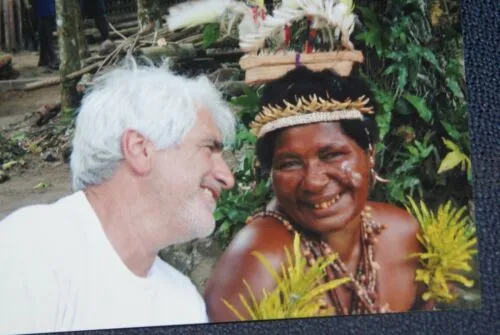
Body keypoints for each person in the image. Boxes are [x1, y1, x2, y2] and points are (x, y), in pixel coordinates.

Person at [0, 58, 236, 333]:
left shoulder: (183, 303)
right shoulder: (27, 253)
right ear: (140, 149)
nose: (227, 177)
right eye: (209, 148)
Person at [204, 66, 432, 321]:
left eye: (333, 155)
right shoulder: (258, 263)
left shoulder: (404, 234)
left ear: (370, 155)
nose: (313, 182)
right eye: (289, 163)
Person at [33, 0, 58, 69]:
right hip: (42, 12)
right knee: (42, 36)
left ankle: (54, 59)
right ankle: (44, 59)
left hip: (47, 12)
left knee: (47, 37)